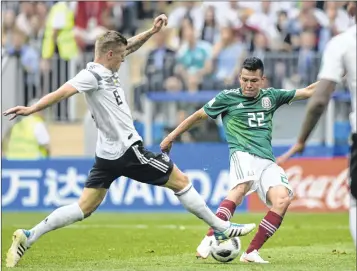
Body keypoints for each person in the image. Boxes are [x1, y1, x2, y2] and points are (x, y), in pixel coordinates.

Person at [3, 14, 256, 268]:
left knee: (84, 207)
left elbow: (129, 45)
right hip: (127, 150)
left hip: (106, 154)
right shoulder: (91, 76)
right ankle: (222, 228)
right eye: (121, 57)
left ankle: (28, 236)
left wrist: (152, 32)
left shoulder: (106, 65)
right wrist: (31, 109)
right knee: (181, 182)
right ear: (110, 55)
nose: (124, 60)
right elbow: (63, 92)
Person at [160, 56, 319, 263]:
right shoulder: (227, 98)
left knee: (282, 199)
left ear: (262, 80)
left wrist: (333, 78)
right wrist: (172, 136)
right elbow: (198, 116)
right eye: (245, 79)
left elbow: (308, 91)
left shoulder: (272, 96)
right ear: (239, 78)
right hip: (242, 152)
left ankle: (251, 252)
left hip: (267, 160)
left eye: (254, 80)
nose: (248, 85)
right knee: (241, 187)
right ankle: (210, 237)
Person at [276, 1, 356, 248]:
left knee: (355, 203)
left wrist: (301, 139)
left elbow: (319, 100)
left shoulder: (342, 43)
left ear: (352, 10)